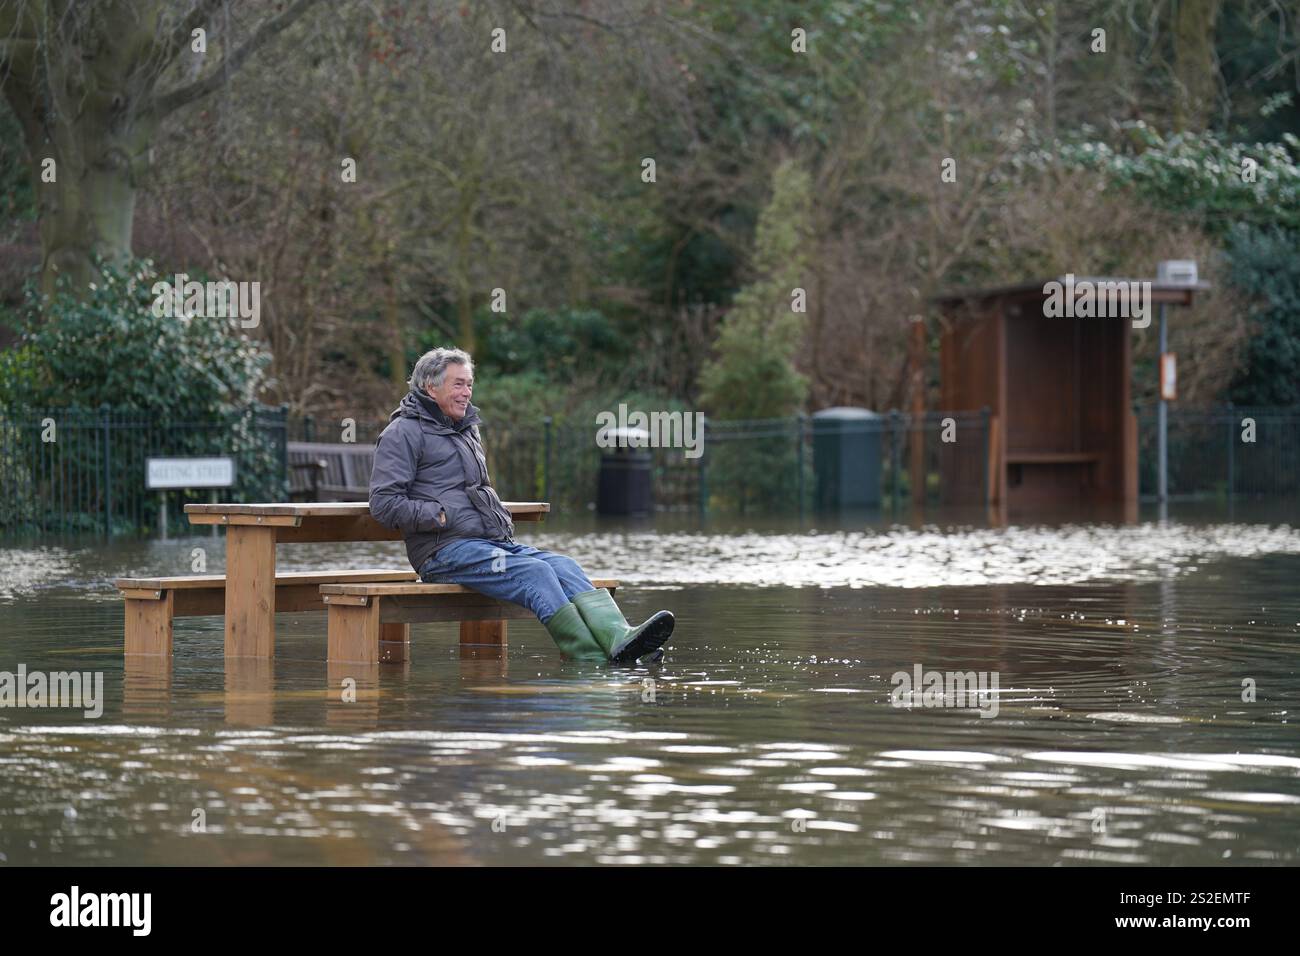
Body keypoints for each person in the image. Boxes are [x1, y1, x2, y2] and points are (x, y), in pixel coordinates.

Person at [369, 347, 675, 664]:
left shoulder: (465, 429)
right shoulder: (402, 433)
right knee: (535, 572)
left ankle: (619, 640)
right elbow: (384, 503)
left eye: (469, 384)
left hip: (489, 543)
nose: (467, 393)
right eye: (458, 384)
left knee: (565, 566)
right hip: (441, 551)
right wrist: (439, 515)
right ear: (430, 387)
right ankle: (590, 659)